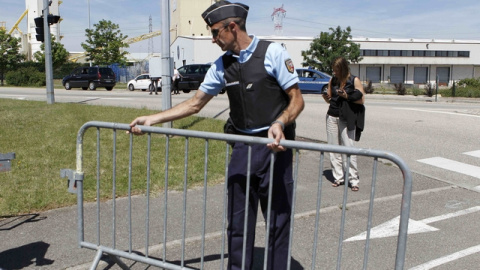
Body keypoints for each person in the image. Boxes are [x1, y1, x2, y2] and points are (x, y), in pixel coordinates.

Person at [128, 2, 304, 269]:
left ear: (232, 27)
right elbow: (195, 103)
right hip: (243, 149)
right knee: (237, 224)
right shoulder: (222, 65)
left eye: (215, 32)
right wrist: (154, 118)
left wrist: (280, 122)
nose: (213, 40)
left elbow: (297, 100)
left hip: (274, 148)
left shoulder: (273, 52)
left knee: (278, 224)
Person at [322, 56, 365, 191]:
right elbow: (331, 99)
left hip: (346, 117)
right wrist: (326, 97)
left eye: (337, 70)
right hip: (332, 115)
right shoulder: (333, 80)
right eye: (334, 70)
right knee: (333, 148)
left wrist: (347, 96)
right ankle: (338, 177)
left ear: (343, 68)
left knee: (348, 147)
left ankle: (353, 180)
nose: (335, 73)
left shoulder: (354, 80)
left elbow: (361, 100)